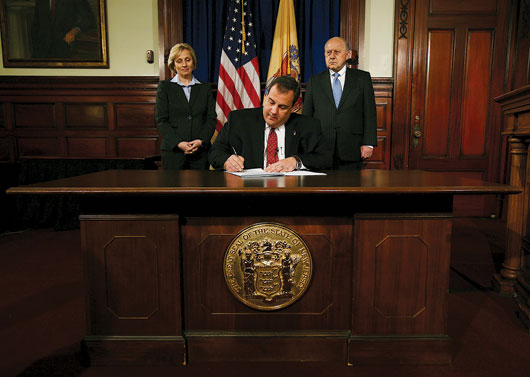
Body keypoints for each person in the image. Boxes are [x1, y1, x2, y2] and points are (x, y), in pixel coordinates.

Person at [209, 76, 331, 172]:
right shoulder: (239, 120)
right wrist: (227, 161)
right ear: (265, 96)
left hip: (292, 193)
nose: (273, 111)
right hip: (249, 192)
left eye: (282, 107)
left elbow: (325, 158)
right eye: (271, 102)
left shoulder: (308, 126)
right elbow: (215, 152)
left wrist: (296, 161)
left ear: (293, 108)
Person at [303, 37, 377, 170]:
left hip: (352, 148)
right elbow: (307, 116)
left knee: (351, 188)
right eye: (328, 52)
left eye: (337, 52)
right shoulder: (315, 81)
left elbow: (370, 113)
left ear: (347, 55)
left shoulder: (362, 79)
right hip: (321, 148)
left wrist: (369, 143)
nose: (332, 56)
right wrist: (307, 145)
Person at [156, 43, 216, 170]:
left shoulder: (204, 88)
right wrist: (178, 143)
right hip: (173, 153)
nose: (184, 64)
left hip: (200, 153)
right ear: (173, 65)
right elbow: (161, 120)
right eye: (179, 61)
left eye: (188, 60)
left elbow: (211, 118)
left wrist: (201, 141)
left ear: (193, 63)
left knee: (200, 189)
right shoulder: (165, 87)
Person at [31, 0, 96, 59]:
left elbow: (89, 19)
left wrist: (75, 30)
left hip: (64, 47)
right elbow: (36, 24)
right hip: (41, 50)